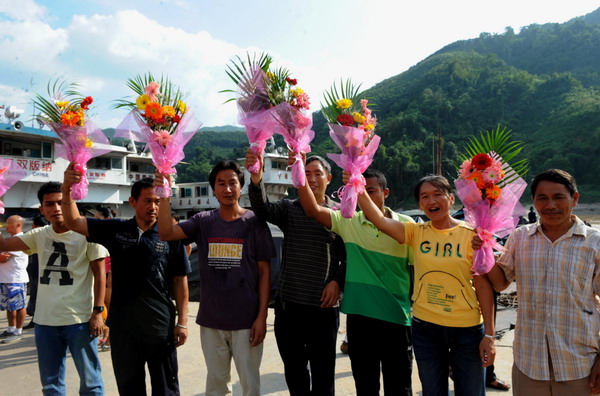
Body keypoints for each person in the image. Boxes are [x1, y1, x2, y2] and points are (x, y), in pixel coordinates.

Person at [357, 174, 496, 396]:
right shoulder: (416, 232)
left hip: (467, 329)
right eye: (425, 197)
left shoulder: (472, 236)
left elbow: (483, 287)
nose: (432, 201)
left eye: (437, 195)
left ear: (451, 199)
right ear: (420, 204)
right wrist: (357, 183)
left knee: (471, 392)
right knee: (432, 391)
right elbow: (378, 220)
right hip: (426, 328)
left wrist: (489, 335)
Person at [61, 168, 190, 396]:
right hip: (123, 329)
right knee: (129, 389)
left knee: (167, 389)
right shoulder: (117, 229)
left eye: (158, 201)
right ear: (132, 201)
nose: (153, 207)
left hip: (159, 326)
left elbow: (180, 281)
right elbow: (73, 221)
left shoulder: (170, 235)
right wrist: (67, 189)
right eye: (147, 201)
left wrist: (182, 322)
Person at [156, 160, 274, 396]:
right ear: (214, 189)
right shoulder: (203, 221)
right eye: (221, 183)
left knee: (250, 386)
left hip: (247, 322)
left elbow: (264, 274)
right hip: (212, 321)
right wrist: (165, 195)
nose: (227, 189)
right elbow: (166, 232)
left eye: (233, 183)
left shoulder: (255, 224)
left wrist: (261, 317)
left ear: (241, 186)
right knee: (216, 386)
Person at [296, 166, 414, 395]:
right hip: (361, 321)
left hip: (397, 319)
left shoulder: (407, 225)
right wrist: (298, 163)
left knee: (399, 387)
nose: (365, 197)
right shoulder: (348, 221)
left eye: (371, 191)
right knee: (365, 386)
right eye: (361, 191)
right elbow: (311, 209)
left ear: (385, 192)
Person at [485, 169, 600, 395]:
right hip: (529, 363)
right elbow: (500, 284)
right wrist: (483, 252)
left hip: (579, 365)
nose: (550, 205)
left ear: (574, 199)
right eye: (542, 198)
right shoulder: (520, 237)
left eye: (558, 197)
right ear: (534, 201)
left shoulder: (594, 243)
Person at [246, 150, 346, 396]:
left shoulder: (341, 213)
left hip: (323, 308)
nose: (311, 178)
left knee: (323, 373)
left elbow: (350, 256)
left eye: (317, 174)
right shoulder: (289, 209)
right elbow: (262, 209)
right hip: (289, 306)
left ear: (329, 178)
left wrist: (337, 281)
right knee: (294, 371)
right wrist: (256, 179)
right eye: (306, 173)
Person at [0, 182, 107, 395]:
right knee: (51, 385)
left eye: (61, 202)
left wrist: (98, 312)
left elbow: (100, 274)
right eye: (49, 204)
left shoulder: (88, 233)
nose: (56, 208)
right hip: (45, 321)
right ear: (41, 209)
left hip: (80, 320)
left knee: (91, 382)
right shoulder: (39, 234)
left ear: (71, 204)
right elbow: (3, 245)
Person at [0, 215, 29, 343]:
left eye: (9, 223)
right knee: (9, 306)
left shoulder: (20, 239)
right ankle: (11, 329)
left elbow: (3, 256)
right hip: (5, 278)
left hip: (16, 279)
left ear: (18, 225)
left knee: (19, 306)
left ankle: (18, 331)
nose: (6, 225)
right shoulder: (11, 239)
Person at [24, 215, 47, 330]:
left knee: (37, 296)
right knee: (35, 296)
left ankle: (35, 320)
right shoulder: (41, 237)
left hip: (38, 273)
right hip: (36, 272)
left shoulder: (39, 238)